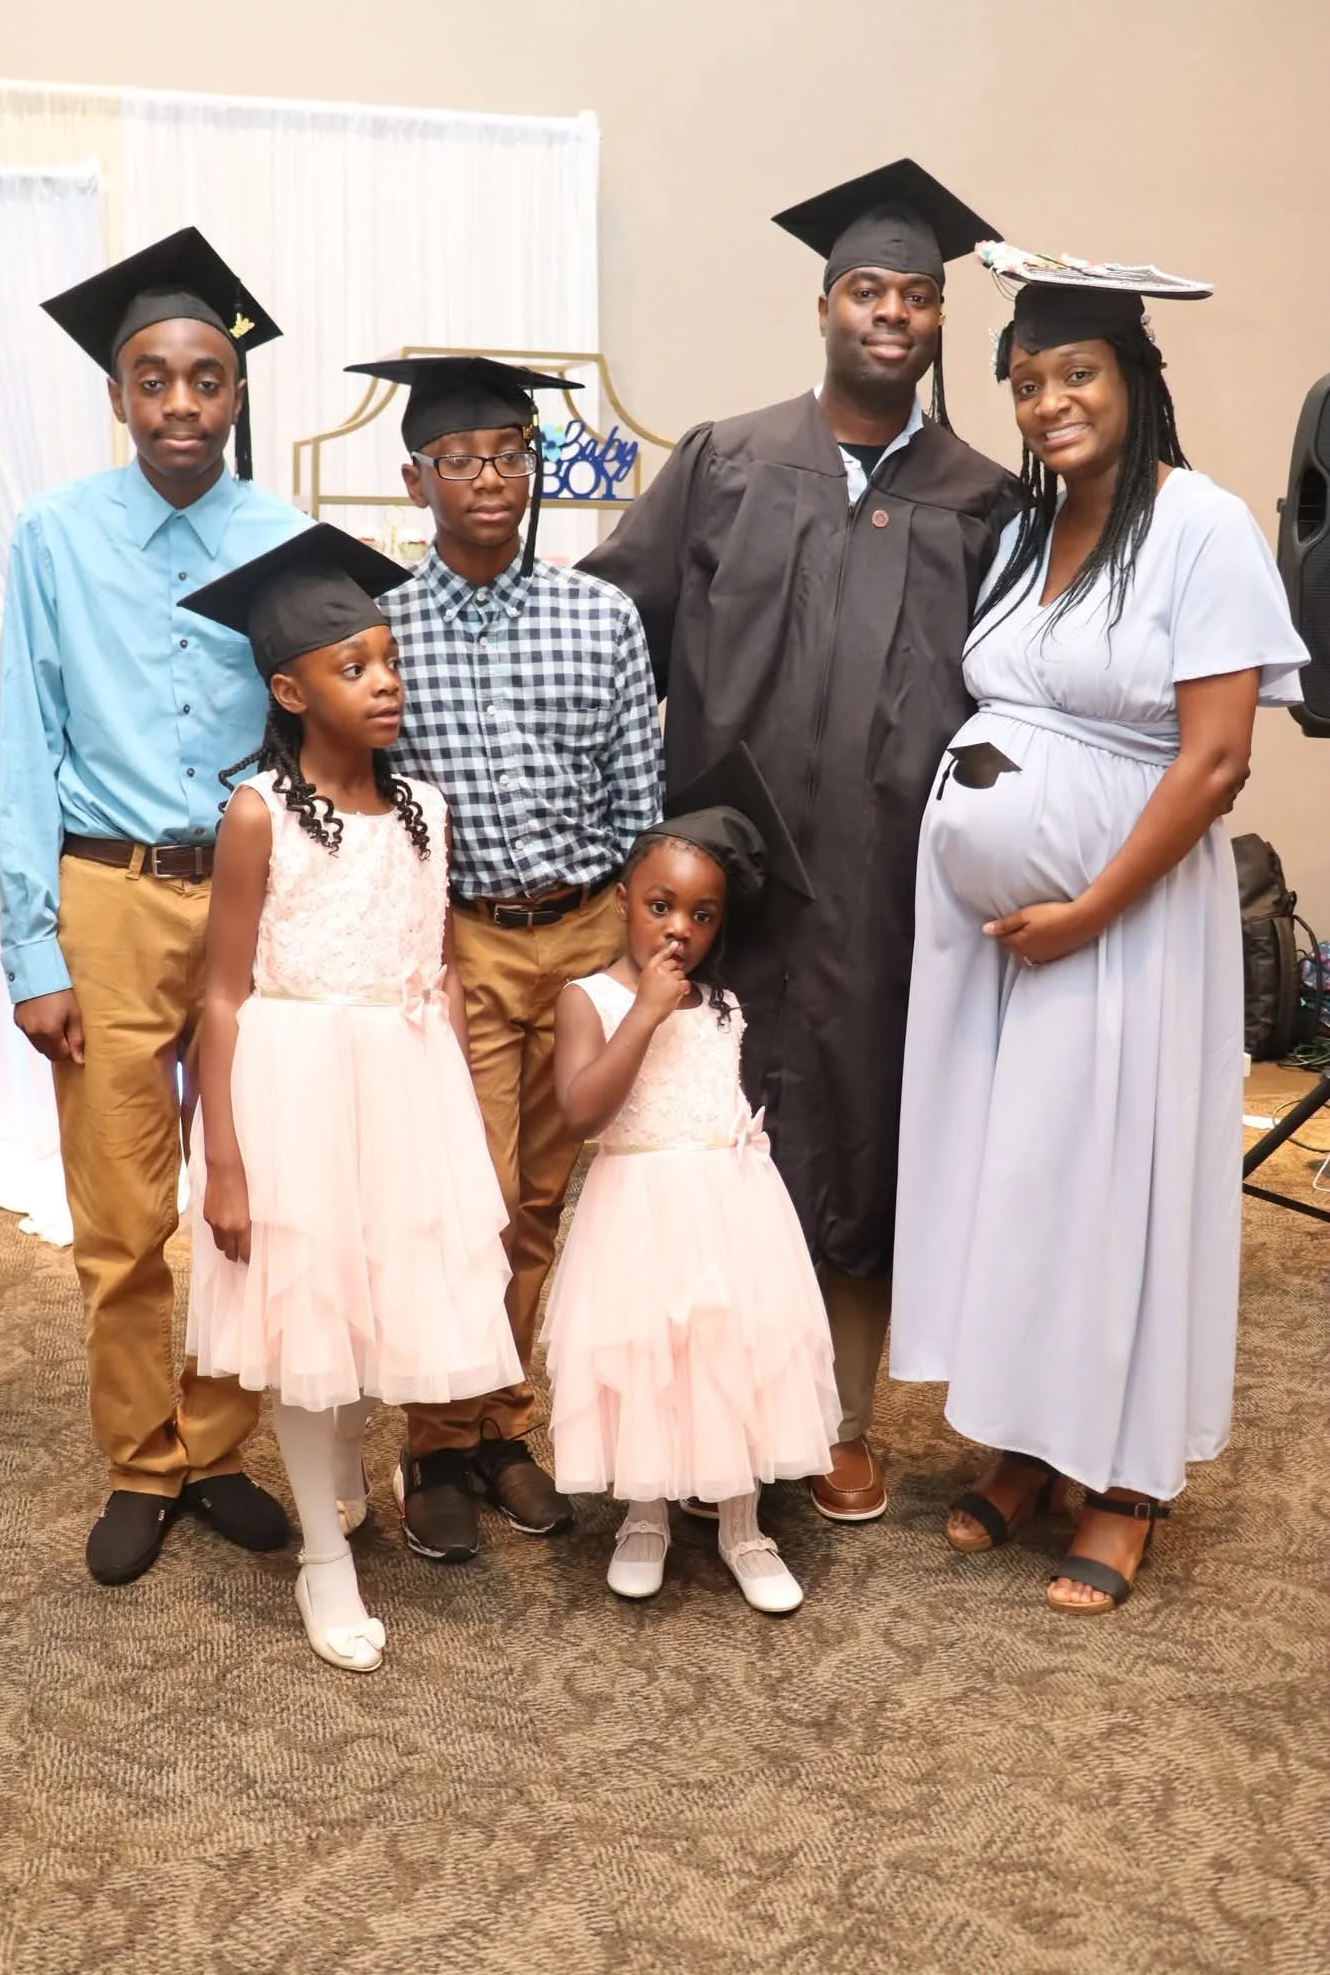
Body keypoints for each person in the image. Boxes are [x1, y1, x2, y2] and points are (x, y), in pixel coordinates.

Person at [580, 159, 1020, 1524]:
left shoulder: (986, 501)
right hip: (726, 888)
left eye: (919, 297)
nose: (893, 314)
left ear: (939, 322)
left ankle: (833, 1418)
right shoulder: (727, 460)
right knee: (712, 1136)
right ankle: (695, 1414)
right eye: (869, 289)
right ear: (824, 302)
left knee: (867, 1140)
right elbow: (612, 636)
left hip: (897, 895)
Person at [890, 246, 1309, 1614]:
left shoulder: (1203, 526)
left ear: (1135, 377)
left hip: (1119, 922)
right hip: (1010, 938)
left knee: (1116, 1178)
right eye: (1025, 383)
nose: (1049, 402)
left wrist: (1087, 909)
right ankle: (1026, 1441)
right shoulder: (1026, 530)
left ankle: (1123, 1480)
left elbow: (1213, 761)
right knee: (1023, 1178)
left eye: (1076, 374)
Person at [0, 230, 308, 1585]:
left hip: (254, 901)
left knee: (249, 1195)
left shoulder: (284, 539)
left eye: (207, 379)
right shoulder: (55, 536)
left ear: (237, 395)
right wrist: (31, 948)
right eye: (154, 379)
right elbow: (24, 745)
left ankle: (219, 1443)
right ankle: (141, 1458)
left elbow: (316, 732)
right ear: (119, 396)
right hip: (110, 898)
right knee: (122, 1211)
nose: (182, 403)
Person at [340, 353, 663, 1562]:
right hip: (460, 945)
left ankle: (497, 1426)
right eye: (464, 459)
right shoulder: (385, 628)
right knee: (456, 1203)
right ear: (415, 474)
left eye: (512, 455)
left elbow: (640, 805)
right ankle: (432, 1442)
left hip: (581, 932)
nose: (492, 480)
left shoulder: (601, 614)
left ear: (537, 467)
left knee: (540, 1199)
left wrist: (634, 965)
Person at [180, 523, 520, 1669]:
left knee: (376, 1305)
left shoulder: (425, 807)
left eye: (389, 658)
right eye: (354, 666)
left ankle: (344, 1481)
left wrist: (457, 1114)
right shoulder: (255, 816)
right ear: (290, 687)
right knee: (307, 1316)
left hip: (401, 1085)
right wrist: (225, 1159)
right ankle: (324, 1549)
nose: (386, 683)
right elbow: (222, 998)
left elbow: (442, 966)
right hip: (295, 1091)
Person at [544, 746, 839, 1612]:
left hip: (728, 1212)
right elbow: (580, 1112)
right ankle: (645, 1515)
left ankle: (743, 1523)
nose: (678, 928)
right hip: (634, 1213)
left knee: (730, 1358)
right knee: (644, 1359)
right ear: (624, 901)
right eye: (661, 906)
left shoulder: (724, 1005)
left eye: (701, 916)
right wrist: (641, 1013)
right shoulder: (587, 998)